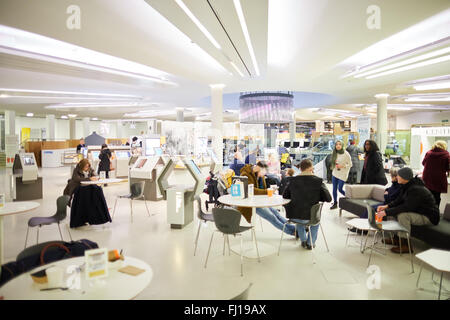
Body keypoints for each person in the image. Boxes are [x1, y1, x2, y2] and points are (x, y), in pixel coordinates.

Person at [376, 167, 440, 253]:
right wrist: (387, 206)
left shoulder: (416, 189)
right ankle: (396, 239)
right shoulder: (406, 185)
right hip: (419, 212)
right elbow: (399, 200)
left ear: (404, 177)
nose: (396, 177)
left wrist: (385, 212)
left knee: (403, 216)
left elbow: (406, 207)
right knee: (396, 212)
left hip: (429, 216)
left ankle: (405, 245)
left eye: (398, 176)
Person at [283, 159, 332, 249]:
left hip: (294, 216)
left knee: (300, 221)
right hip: (311, 217)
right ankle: (310, 243)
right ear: (311, 168)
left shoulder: (292, 180)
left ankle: (303, 241)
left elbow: (285, 195)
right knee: (315, 221)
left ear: (300, 169)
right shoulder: (318, 181)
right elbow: (328, 199)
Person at [238, 161, 296, 236]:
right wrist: (266, 191)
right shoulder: (245, 174)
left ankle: (294, 229)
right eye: (263, 172)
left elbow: (262, 188)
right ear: (258, 168)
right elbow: (252, 191)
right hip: (252, 203)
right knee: (272, 218)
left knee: (276, 214)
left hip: (261, 201)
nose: (264, 174)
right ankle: (293, 232)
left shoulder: (259, 175)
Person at [422, 140, 450, 208]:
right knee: (436, 197)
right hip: (438, 180)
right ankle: (435, 214)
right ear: (444, 146)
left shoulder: (428, 153)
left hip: (427, 179)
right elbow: (448, 168)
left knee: (427, 197)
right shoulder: (446, 155)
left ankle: (426, 214)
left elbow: (423, 163)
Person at [330, 141, 352, 209]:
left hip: (343, 173)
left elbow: (350, 164)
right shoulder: (334, 153)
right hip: (335, 172)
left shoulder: (346, 154)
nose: (338, 146)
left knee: (340, 189)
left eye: (339, 144)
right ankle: (335, 203)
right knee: (334, 188)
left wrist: (342, 166)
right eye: (336, 144)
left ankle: (350, 199)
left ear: (342, 145)